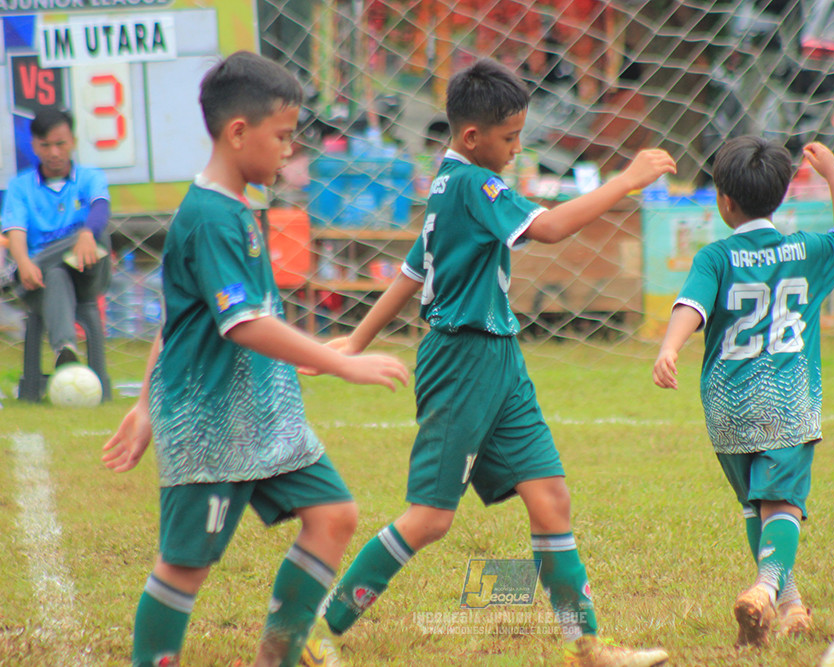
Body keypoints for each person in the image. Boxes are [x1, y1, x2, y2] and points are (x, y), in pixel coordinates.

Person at [301, 58, 677, 667]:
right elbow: (550, 228)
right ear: (472, 137)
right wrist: (625, 181)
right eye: (509, 138)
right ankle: (318, 632)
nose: (516, 148)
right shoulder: (473, 184)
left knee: (550, 495)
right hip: (460, 359)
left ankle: (588, 647)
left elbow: (414, 270)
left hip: (500, 358)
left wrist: (356, 339)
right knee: (429, 517)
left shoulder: (449, 182)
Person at [100, 51, 409, 667]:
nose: (291, 151)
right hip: (211, 423)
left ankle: (279, 657)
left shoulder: (239, 207)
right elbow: (241, 324)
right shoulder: (211, 216)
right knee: (185, 566)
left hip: (263, 420)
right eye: (283, 136)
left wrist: (141, 404)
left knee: (334, 514)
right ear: (238, 132)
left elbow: (185, 317)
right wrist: (339, 359)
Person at [652, 137, 834, 648]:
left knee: (755, 505)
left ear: (724, 201)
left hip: (726, 402)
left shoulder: (715, 256)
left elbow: (692, 308)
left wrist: (669, 348)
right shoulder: (808, 250)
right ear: (783, 196)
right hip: (787, 399)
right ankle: (767, 588)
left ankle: (788, 605)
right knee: (784, 504)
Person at [1, 107, 112, 370]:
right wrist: (25, 263)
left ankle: (15, 275)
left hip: (87, 275)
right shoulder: (20, 186)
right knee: (55, 275)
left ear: (72, 141)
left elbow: (101, 208)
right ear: (35, 146)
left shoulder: (90, 177)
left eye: (61, 144)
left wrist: (86, 234)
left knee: (99, 237)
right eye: (46, 145)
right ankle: (65, 351)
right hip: (39, 282)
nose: (54, 152)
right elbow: (16, 231)